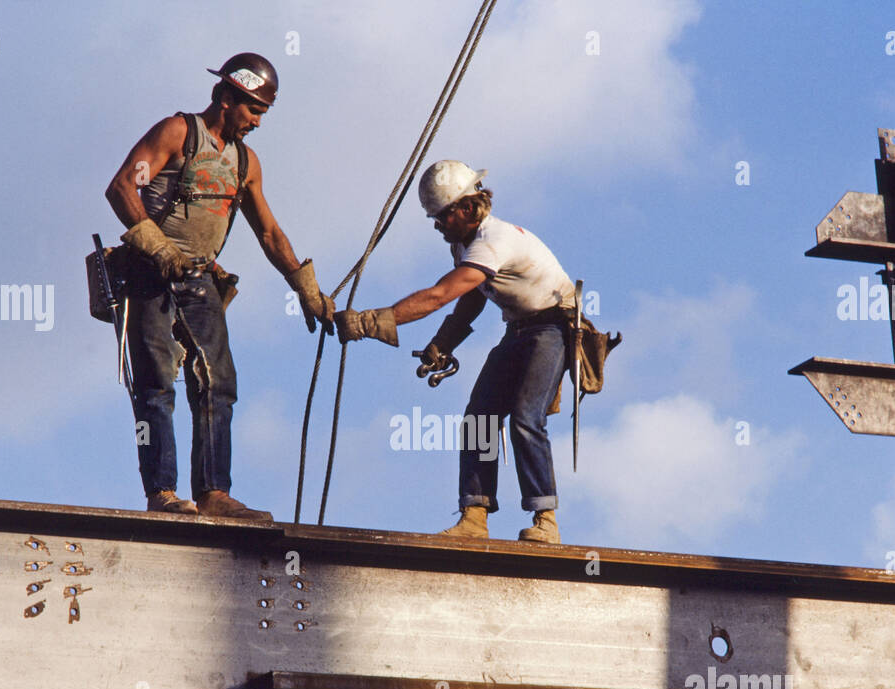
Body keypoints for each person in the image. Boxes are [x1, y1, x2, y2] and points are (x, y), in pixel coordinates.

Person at [105, 53, 334, 519]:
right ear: (227, 98)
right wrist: (159, 249)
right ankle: (163, 495)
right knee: (155, 385)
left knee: (218, 383)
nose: (257, 121)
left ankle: (214, 494)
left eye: (263, 112)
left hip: (200, 278)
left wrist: (306, 289)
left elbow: (269, 233)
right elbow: (124, 187)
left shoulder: (245, 163)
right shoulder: (178, 133)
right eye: (253, 110)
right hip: (150, 274)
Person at [334, 160, 575, 544]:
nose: (437, 225)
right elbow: (470, 299)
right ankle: (474, 517)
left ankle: (545, 520)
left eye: (442, 216)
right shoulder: (464, 244)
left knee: (526, 418)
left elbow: (440, 294)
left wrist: (368, 322)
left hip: (552, 328)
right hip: (519, 329)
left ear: (466, 208)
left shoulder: (492, 240)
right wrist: (444, 342)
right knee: (478, 419)